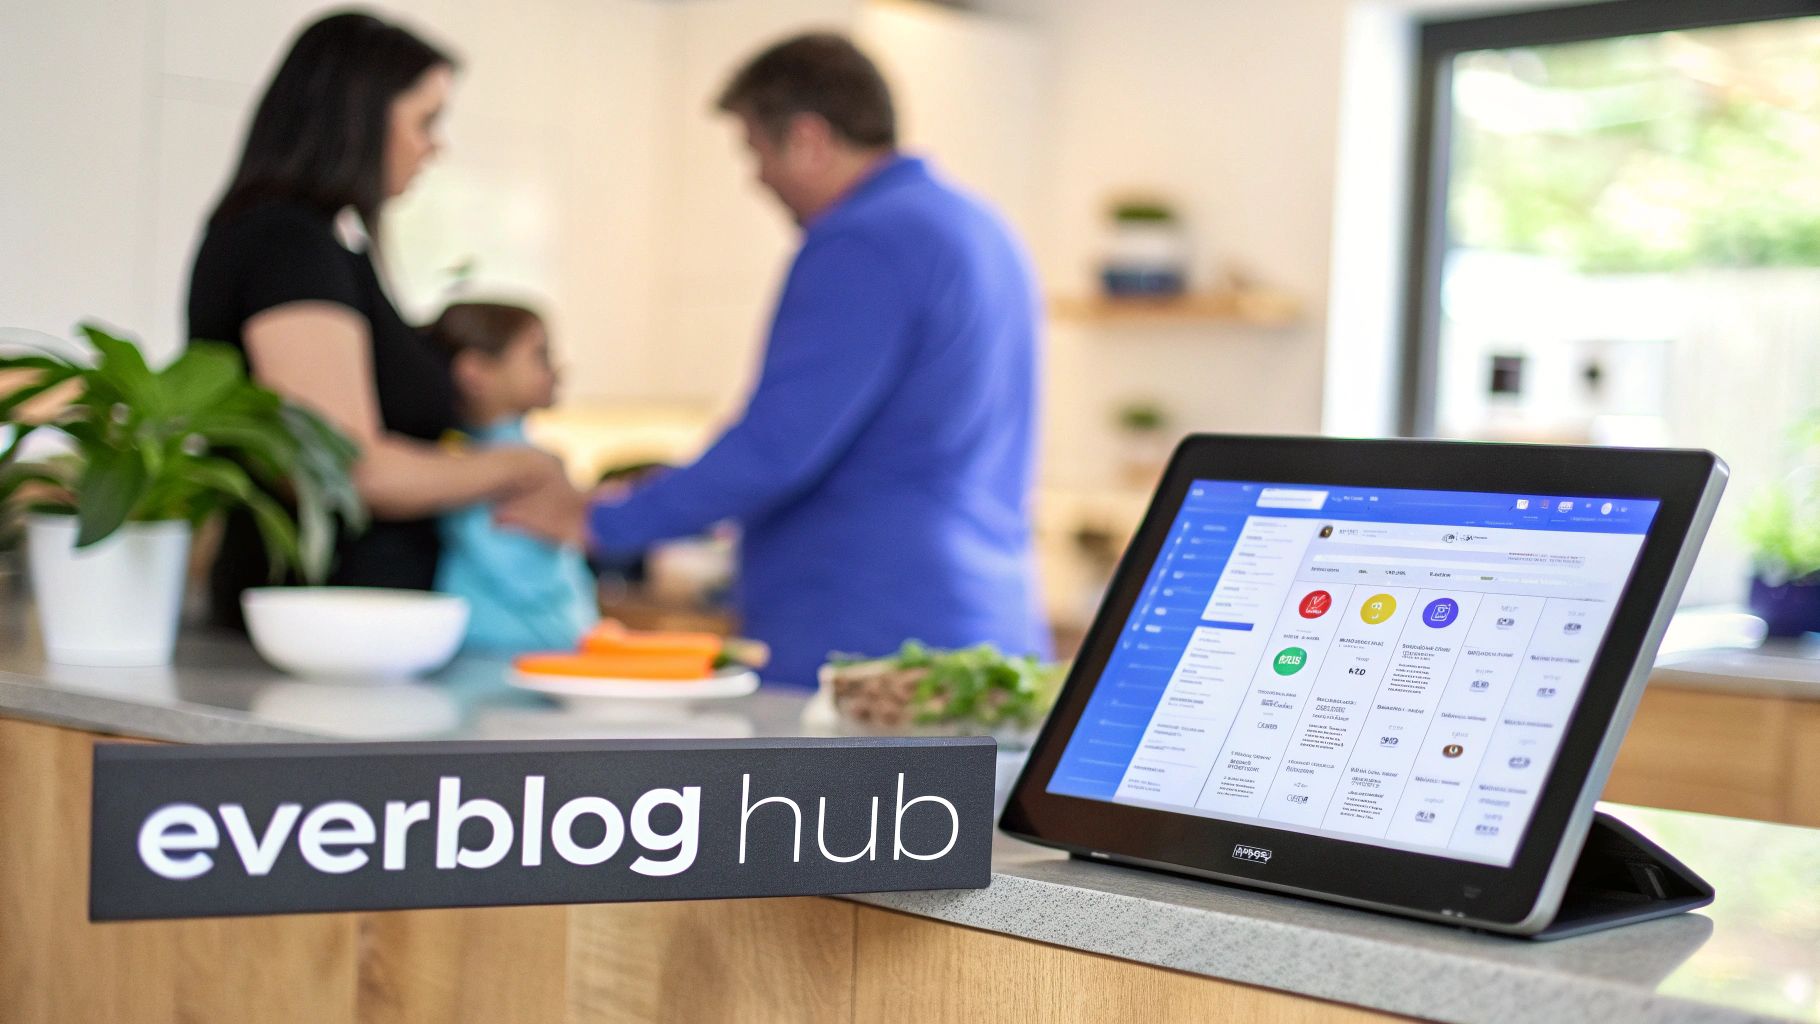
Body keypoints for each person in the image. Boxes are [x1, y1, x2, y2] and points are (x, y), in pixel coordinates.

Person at [502, 33, 1050, 686]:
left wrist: (598, 520)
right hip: (985, 625)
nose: (757, 179)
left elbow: (775, 446)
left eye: (758, 153)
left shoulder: (865, 240)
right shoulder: (981, 228)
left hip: (873, 641)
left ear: (810, 139)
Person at [186, 11, 579, 627]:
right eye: (425, 121)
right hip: (327, 631)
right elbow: (341, 465)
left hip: (356, 630)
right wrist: (527, 466)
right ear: (360, 116)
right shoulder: (288, 242)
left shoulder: (329, 243)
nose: (435, 146)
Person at [427, 302, 596, 653]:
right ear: (475, 372)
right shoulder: (479, 467)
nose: (557, 370)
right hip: (501, 650)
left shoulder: (526, 459)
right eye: (540, 355)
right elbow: (531, 579)